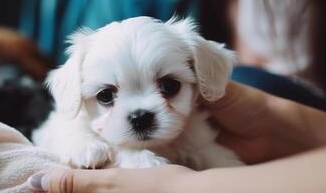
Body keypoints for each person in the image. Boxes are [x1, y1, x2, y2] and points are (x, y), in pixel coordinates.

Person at [27, 81, 326, 193]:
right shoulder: (74, 123)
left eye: (168, 86)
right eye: (106, 95)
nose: (139, 113)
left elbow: (221, 161)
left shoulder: (198, 129)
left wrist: (185, 186)